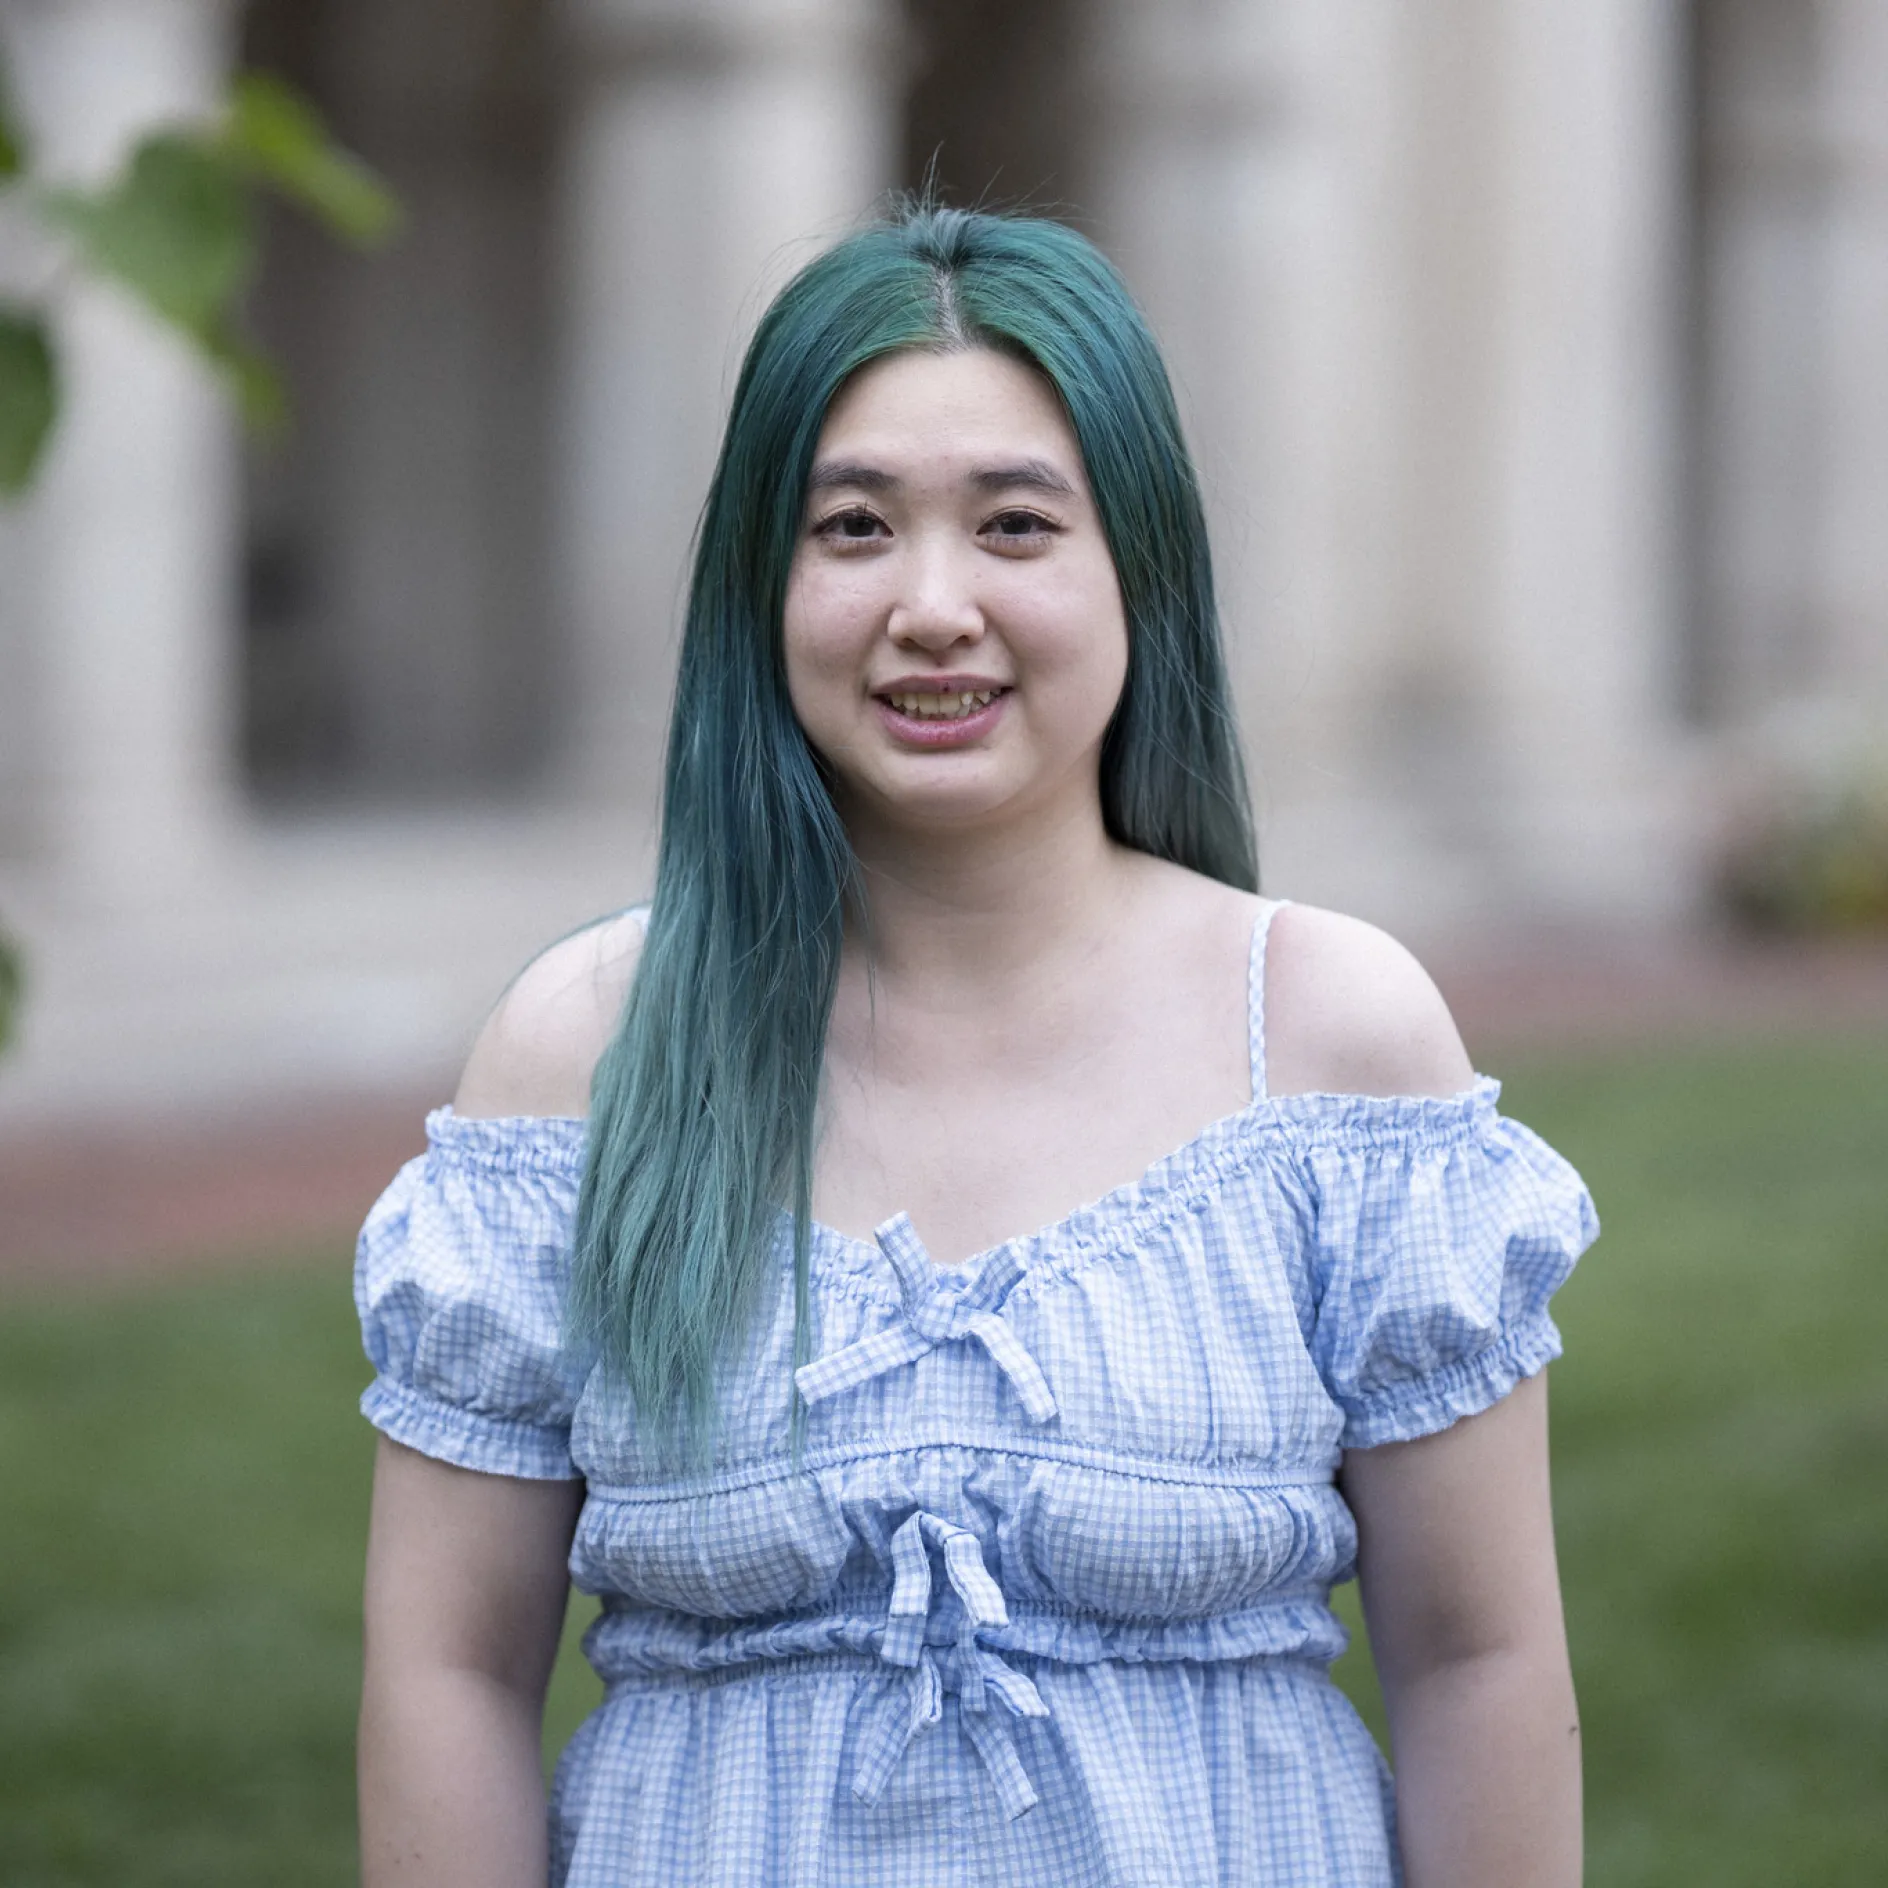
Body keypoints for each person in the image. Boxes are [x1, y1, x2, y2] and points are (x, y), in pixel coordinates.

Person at [354, 205, 1595, 1888]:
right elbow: (446, 1679)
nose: (933, 607)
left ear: (1137, 570)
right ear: (762, 585)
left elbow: (1479, 1666)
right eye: (852, 527)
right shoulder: (581, 1056)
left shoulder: (1330, 1044)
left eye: (1017, 526)